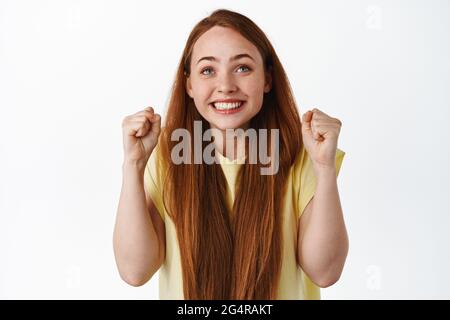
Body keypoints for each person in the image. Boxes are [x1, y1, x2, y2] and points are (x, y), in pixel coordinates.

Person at [113, 9, 348, 300]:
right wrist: (133, 165)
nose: (225, 86)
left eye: (242, 68)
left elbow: (325, 271)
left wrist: (324, 168)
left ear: (267, 80)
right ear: (189, 85)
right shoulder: (165, 158)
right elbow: (135, 271)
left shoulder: (304, 156)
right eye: (208, 70)